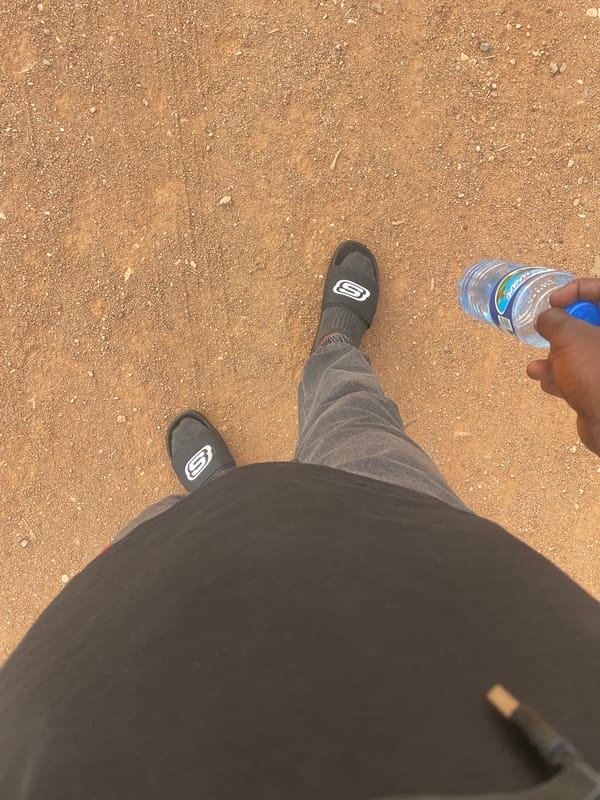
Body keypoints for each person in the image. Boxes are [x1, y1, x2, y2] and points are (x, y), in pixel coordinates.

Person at [0, 242, 597, 800]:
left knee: (162, 536)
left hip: (83, 706)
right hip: (455, 607)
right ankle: (334, 353)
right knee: (360, 431)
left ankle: (220, 493)